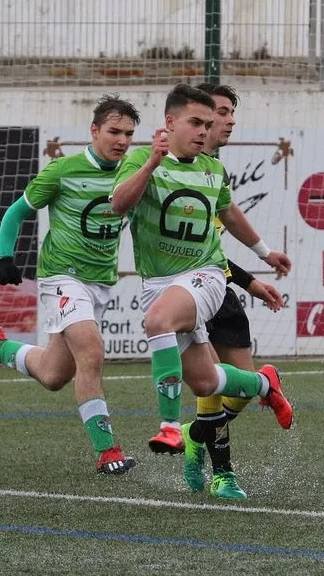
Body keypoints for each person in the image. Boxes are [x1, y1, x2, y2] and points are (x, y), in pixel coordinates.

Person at [109, 83, 293, 499]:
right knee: (206, 383)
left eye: (211, 123)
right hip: (160, 283)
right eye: (199, 122)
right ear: (170, 123)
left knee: (157, 321)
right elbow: (119, 205)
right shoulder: (142, 159)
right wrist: (151, 163)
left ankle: (172, 429)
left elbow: (228, 212)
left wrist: (265, 254)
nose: (207, 130)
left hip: (207, 276)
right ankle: (264, 385)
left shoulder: (212, 169)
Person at [0, 94, 141, 475]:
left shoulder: (132, 174)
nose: (122, 140)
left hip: (100, 283)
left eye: (129, 134)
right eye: (114, 131)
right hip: (62, 276)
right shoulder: (63, 170)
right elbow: (16, 213)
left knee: (53, 375)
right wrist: (5, 256)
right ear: (94, 131)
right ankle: (107, 451)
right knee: (91, 352)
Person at [176, 82, 292, 497]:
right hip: (184, 290)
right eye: (222, 113)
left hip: (217, 284)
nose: (229, 121)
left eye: (229, 113)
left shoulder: (214, 171)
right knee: (211, 381)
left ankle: (195, 434)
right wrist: (253, 279)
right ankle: (224, 475)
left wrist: (257, 268)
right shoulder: (174, 168)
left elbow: (218, 236)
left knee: (237, 386)